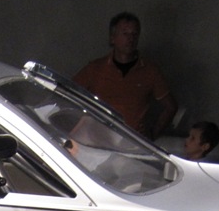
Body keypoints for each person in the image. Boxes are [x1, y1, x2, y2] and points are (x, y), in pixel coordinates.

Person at [73, 11, 178, 140]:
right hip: (97, 141)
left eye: (134, 34)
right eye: (125, 33)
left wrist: (152, 135)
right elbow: (69, 94)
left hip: (132, 142)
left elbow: (170, 107)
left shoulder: (150, 71)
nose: (130, 38)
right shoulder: (95, 68)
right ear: (113, 38)